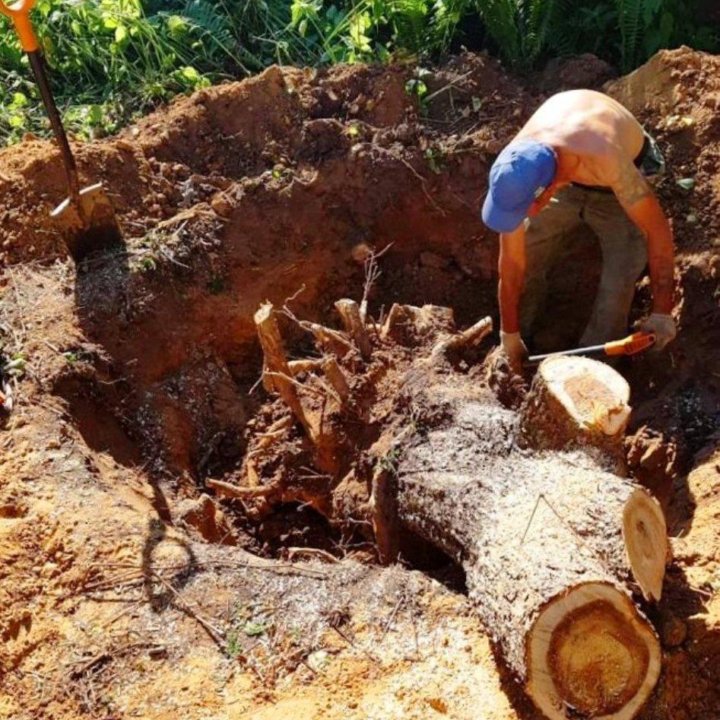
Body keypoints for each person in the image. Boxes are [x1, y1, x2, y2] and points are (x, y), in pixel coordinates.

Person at [481, 89, 676, 372]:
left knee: (620, 276)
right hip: (570, 174)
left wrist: (662, 312)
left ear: (546, 190)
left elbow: (657, 231)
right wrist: (508, 334)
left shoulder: (607, 157)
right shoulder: (518, 167)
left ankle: (594, 371)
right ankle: (517, 348)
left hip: (623, 177)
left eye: (528, 207)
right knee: (530, 249)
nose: (527, 213)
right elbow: (512, 262)